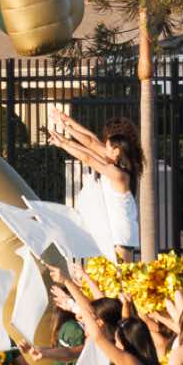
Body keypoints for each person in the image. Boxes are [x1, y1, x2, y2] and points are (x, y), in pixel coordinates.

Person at [48, 109, 142, 261]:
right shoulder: (118, 166)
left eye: (108, 146)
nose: (104, 149)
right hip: (111, 236)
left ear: (117, 151)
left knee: (120, 276)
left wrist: (64, 139)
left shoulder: (118, 174)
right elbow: (91, 143)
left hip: (120, 239)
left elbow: (88, 157)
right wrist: (66, 128)